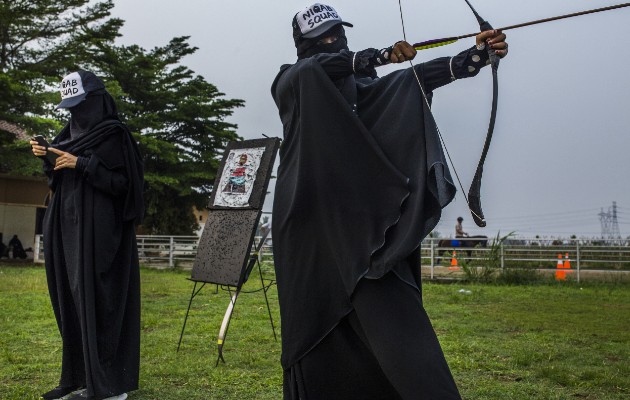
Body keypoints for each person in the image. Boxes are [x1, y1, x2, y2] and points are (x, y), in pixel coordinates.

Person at [271, 4, 507, 399]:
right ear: (303, 45)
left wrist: (475, 58)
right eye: (323, 38)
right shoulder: (292, 81)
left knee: (396, 327)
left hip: (366, 230)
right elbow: (314, 70)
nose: (334, 41)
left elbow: (412, 80)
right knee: (316, 331)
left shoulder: (361, 85)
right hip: (310, 230)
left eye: (337, 33)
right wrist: (376, 55)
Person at [30, 71, 144, 400]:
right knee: (70, 300)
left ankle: (108, 386)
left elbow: (127, 187)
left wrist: (84, 165)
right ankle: (77, 377)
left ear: (95, 101)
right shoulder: (66, 135)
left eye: (80, 106)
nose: (75, 114)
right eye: (70, 107)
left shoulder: (114, 135)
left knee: (99, 301)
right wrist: (47, 157)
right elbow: (59, 179)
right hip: (66, 230)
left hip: (100, 237)